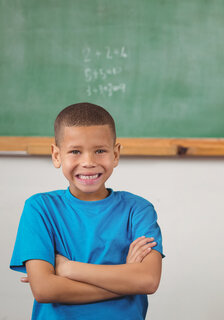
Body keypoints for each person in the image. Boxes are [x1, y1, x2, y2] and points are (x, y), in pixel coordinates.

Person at [10, 102, 164, 320]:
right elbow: (45, 290)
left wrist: (68, 269)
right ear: (56, 155)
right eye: (75, 151)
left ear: (116, 154)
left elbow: (147, 280)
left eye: (100, 151)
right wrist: (126, 280)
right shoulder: (40, 208)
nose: (88, 162)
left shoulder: (138, 210)